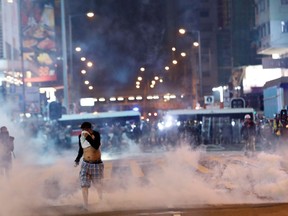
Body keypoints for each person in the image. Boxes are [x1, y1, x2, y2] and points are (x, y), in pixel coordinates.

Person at [74, 122, 104, 211]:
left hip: (97, 164)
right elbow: (81, 150)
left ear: (89, 129)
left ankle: (101, 202)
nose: (83, 131)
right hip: (86, 163)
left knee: (98, 185)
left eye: (84, 129)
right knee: (84, 185)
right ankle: (85, 205)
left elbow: (96, 146)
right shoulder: (81, 136)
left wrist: (87, 137)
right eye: (82, 130)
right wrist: (77, 159)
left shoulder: (96, 134)